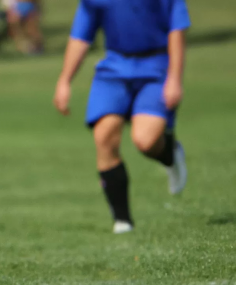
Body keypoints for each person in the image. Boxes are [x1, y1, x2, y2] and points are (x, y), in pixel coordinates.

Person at [54, 0, 190, 234]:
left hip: (156, 67)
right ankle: (122, 221)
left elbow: (177, 30)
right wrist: (65, 81)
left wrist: (175, 78)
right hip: (114, 68)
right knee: (104, 136)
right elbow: (81, 36)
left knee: (145, 141)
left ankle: (169, 152)